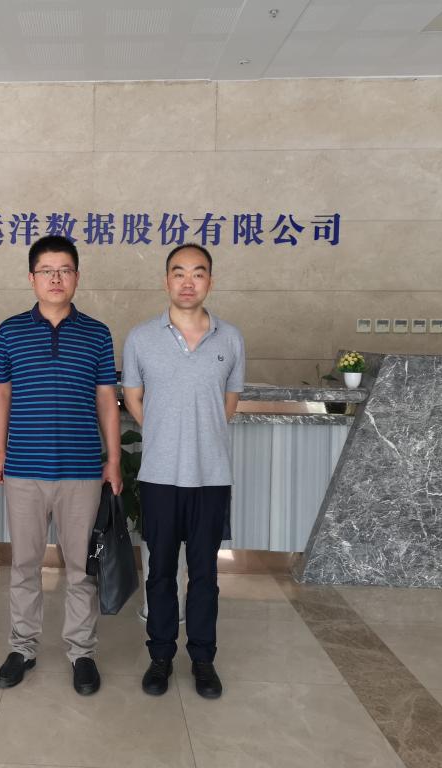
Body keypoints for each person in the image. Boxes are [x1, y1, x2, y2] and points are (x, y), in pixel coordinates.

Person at [0, 235, 122, 695]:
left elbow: (106, 399)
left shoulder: (98, 333)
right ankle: (22, 648)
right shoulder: (9, 331)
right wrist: (0, 452)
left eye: (64, 270)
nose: (55, 278)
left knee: (81, 569)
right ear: (32, 278)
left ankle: (81, 653)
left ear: (77, 277)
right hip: (24, 469)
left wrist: (113, 460)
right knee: (24, 564)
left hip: (82, 471)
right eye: (46, 271)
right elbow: (1, 395)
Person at [121, 243, 245, 700]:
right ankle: (160, 656)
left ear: (210, 280)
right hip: (159, 476)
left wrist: (200, 435)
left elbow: (229, 403)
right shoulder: (141, 338)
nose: (188, 282)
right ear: (166, 281)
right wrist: (165, 432)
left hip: (211, 477)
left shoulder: (230, 339)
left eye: (198, 273)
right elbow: (133, 398)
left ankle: (203, 659)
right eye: (179, 273)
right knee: (159, 572)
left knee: (205, 574)